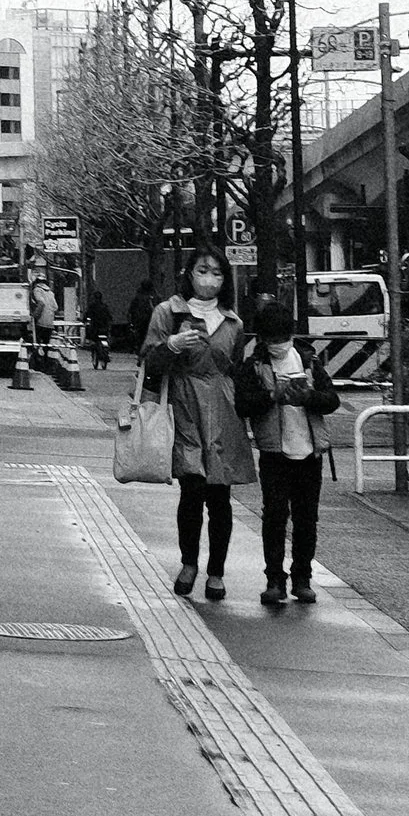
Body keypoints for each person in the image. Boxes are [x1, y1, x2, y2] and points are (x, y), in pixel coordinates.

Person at [143, 246, 253, 600]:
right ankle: (189, 563)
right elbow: (148, 361)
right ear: (189, 273)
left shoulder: (233, 321)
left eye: (218, 273)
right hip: (184, 404)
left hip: (223, 409)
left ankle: (216, 572)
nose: (210, 279)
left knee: (221, 495)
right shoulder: (168, 312)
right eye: (203, 270)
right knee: (191, 490)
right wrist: (171, 345)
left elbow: (235, 367)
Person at [237, 294, 337, 610]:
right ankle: (274, 580)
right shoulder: (253, 366)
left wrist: (308, 396)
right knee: (275, 517)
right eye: (273, 339)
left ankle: (302, 578)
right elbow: (241, 405)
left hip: (310, 454)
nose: (279, 344)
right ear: (263, 339)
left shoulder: (309, 361)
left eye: (283, 337)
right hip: (274, 454)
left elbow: (331, 400)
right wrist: (271, 395)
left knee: (307, 518)